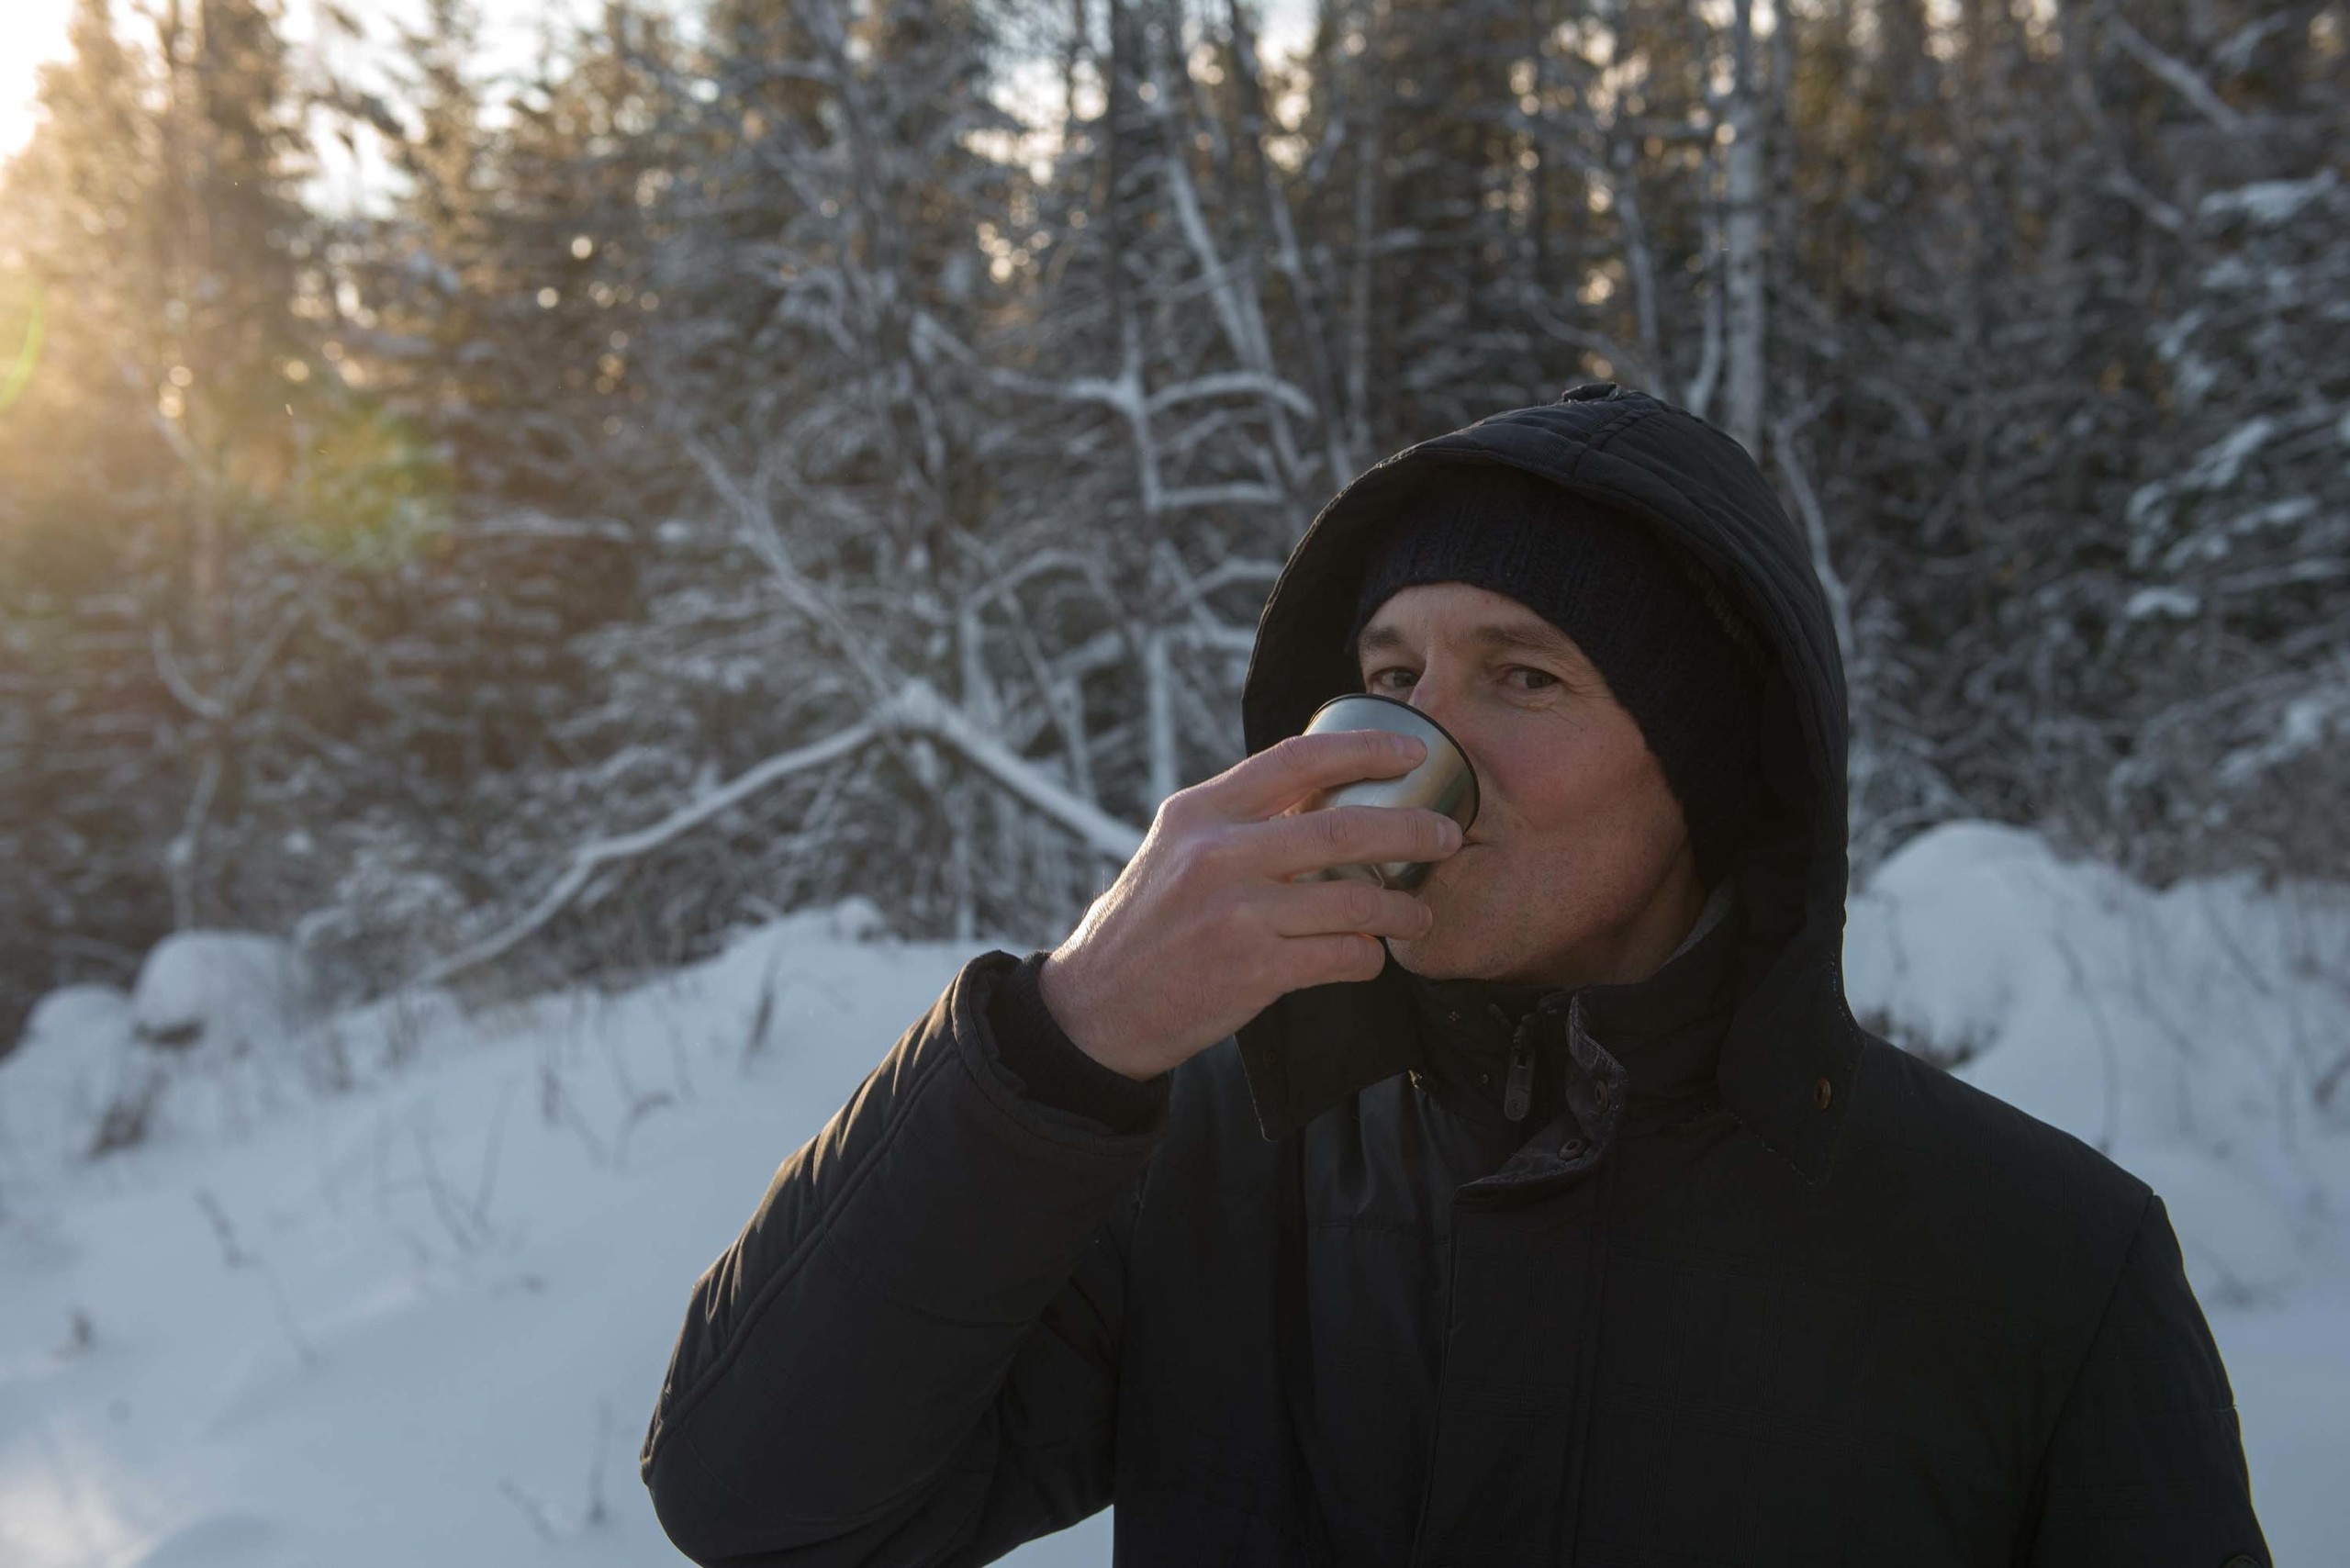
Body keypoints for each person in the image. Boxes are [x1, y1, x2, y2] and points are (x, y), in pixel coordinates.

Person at [639, 384, 2268, 1566]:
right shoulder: (1225, 1161)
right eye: (1391, 673)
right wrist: (1063, 1040)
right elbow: (763, 1510)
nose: (1415, 745)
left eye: (1524, 675)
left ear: (1705, 773)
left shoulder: (2037, 1265)